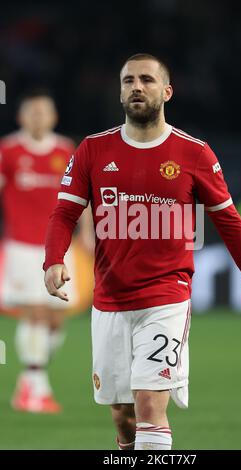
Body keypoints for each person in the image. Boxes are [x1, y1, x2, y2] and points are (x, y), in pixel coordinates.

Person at [43, 53, 241, 450]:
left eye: (147, 80)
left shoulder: (194, 154)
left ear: (166, 91)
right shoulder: (92, 150)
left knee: (150, 403)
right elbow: (64, 213)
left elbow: (230, 223)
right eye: (129, 80)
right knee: (123, 417)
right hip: (110, 299)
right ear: (120, 92)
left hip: (166, 297)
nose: (137, 86)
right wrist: (53, 261)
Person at [0, 90, 77, 413]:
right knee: (34, 311)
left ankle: (28, 383)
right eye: (31, 112)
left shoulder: (65, 150)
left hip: (59, 248)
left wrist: (86, 234)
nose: (37, 117)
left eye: (43, 112)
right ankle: (37, 387)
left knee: (57, 318)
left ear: (54, 117)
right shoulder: (9, 150)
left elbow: (77, 196)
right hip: (22, 246)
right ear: (21, 117)